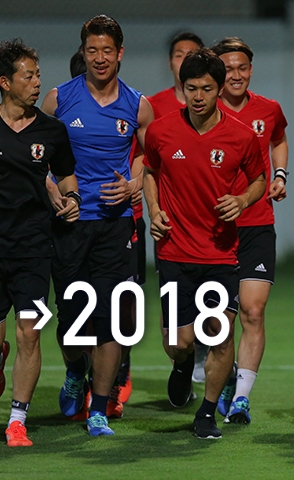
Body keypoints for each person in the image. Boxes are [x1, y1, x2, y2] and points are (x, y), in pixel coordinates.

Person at [143, 48, 266, 439]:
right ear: (182, 87)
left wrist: (243, 200)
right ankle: (182, 365)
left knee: (219, 334)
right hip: (174, 252)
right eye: (191, 88)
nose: (198, 96)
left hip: (220, 253)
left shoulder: (241, 136)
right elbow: (150, 171)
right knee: (179, 342)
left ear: (220, 89)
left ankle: (207, 413)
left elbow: (259, 180)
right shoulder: (161, 131)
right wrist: (154, 210)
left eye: (206, 89)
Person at [41, 14, 155, 437]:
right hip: (70, 225)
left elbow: (151, 155)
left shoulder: (138, 105)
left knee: (111, 320)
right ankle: (75, 370)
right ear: (83, 53)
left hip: (115, 226)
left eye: (107, 50)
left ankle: (100, 408)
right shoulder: (59, 99)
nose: (100, 58)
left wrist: (134, 183)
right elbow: (36, 154)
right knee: (71, 321)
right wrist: (53, 189)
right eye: (92, 50)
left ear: (120, 53)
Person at [0, 39, 80, 447]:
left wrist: (72, 198)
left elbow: (65, 176)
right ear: (5, 82)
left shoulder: (52, 130)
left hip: (33, 248)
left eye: (38, 75)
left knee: (29, 333)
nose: (36, 83)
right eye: (28, 76)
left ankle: (17, 421)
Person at [211, 37, 288, 424]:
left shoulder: (268, 109)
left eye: (242, 67)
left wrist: (280, 174)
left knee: (253, 312)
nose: (236, 75)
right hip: (215, 229)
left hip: (257, 223)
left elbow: (279, 138)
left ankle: (241, 397)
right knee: (219, 321)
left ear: (251, 70)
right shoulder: (204, 112)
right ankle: (223, 375)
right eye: (228, 69)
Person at [147, 32, 208, 385]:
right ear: (170, 62)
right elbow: (146, 163)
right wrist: (153, 208)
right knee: (173, 305)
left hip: (211, 228)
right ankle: (181, 358)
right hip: (172, 226)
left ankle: (204, 354)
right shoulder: (154, 107)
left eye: (193, 53)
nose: (185, 59)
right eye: (179, 53)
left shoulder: (215, 105)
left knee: (211, 303)